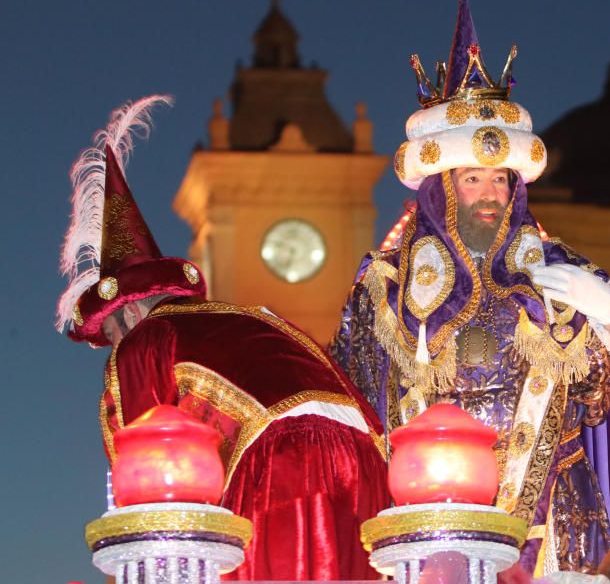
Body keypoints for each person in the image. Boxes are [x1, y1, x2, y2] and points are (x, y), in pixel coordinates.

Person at [330, 0, 610, 575]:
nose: (489, 194)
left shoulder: (560, 275)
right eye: (472, 178)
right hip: (432, 520)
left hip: (555, 519)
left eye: (499, 179)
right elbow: (347, 406)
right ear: (441, 186)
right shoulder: (383, 291)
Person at [56, 96, 389, 581]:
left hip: (282, 465)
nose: (114, 348)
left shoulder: (149, 339)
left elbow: (147, 465)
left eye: (110, 334)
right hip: (366, 463)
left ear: (128, 312)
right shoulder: (240, 317)